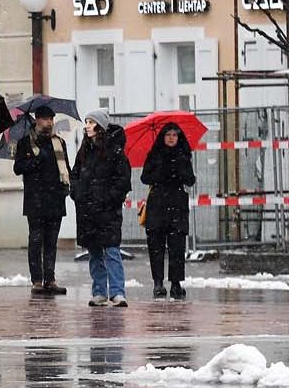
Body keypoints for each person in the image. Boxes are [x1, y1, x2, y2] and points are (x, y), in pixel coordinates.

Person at [74, 109, 131, 307]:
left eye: (91, 122)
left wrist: (109, 199)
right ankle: (99, 291)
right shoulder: (84, 150)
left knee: (112, 250)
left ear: (100, 126)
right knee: (94, 252)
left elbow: (123, 180)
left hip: (108, 211)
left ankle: (117, 292)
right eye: (86, 122)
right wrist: (77, 193)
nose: (87, 126)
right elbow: (75, 174)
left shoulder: (115, 151)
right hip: (88, 210)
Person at [13, 106, 70, 297]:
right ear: (37, 120)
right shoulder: (25, 143)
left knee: (51, 242)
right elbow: (18, 168)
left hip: (55, 199)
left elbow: (66, 168)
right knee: (36, 241)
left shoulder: (59, 142)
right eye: (45, 119)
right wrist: (36, 161)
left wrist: (67, 186)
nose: (49, 123)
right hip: (35, 200)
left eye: (51, 119)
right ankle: (37, 280)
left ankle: (50, 280)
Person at [142, 119, 195, 300]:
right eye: (168, 134)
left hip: (177, 205)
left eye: (174, 135)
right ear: (162, 137)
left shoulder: (183, 155)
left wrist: (180, 169)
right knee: (156, 246)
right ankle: (158, 283)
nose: (171, 138)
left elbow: (190, 180)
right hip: (157, 204)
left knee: (177, 246)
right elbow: (145, 177)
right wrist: (161, 171)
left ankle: (176, 283)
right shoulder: (154, 154)